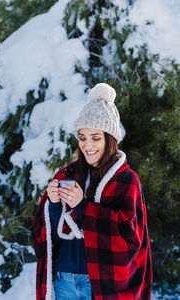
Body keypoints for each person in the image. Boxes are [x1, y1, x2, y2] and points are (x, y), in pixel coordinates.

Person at [31, 83, 153, 300]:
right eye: (82, 137)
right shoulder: (66, 175)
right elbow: (42, 234)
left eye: (96, 138)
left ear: (110, 139)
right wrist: (53, 204)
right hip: (63, 281)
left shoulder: (126, 180)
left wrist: (82, 206)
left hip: (100, 286)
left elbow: (130, 236)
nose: (88, 145)